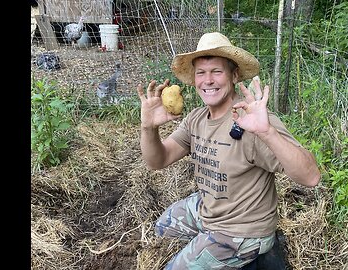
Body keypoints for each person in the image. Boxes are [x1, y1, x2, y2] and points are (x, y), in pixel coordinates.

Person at [136, 32, 320, 270]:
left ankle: (261, 252)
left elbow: (311, 177)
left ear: (234, 75)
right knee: (163, 229)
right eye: (201, 72)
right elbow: (157, 161)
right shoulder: (197, 118)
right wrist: (148, 127)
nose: (208, 80)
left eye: (217, 72)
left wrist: (267, 133)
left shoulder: (252, 120)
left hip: (244, 229)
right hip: (212, 210)